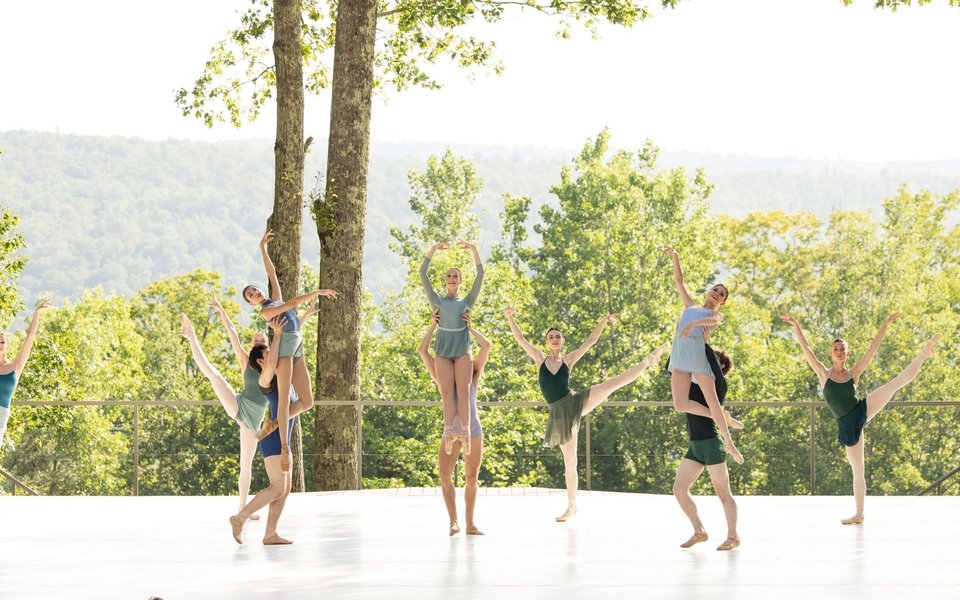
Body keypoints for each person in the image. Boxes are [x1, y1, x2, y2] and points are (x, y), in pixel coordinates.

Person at [505, 306, 667, 522]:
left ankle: (648, 360)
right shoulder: (539, 359)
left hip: (575, 401)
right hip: (560, 414)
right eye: (551, 337)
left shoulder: (568, 360)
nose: (554, 339)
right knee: (570, 462)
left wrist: (603, 320)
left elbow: (590, 342)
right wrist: (509, 317)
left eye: (558, 336)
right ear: (546, 342)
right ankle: (572, 507)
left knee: (610, 384)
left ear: (562, 341)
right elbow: (519, 339)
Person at [781, 311, 939, 524]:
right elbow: (806, 348)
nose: (839, 351)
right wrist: (795, 324)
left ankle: (924, 353)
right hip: (847, 424)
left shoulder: (853, 373)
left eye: (842, 349)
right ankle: (859, 514)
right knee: (858, 469)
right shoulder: (823, 373)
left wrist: (886, 323)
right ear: (831, 353)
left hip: (861, 409)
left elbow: (873, 348)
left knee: (896, 383)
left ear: (847, 352)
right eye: (835, 349)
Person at [209, 291, 318, 519]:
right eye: (257, 343)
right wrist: (221, 312)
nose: (260, 343)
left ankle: (262, 525)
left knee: (281, 485)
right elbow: (233, 334)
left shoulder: (275, 358)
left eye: (263, 341)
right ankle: (242, 511)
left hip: (265, 415)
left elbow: (291, 339)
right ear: (256, 353)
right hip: (247, 409)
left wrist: (304, 316)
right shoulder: (253, 363)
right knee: (252, 467)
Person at [242, 229, 337, 471]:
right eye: (251, 295)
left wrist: (262, 248)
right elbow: (292, 303)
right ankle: (284, 447)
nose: (256, 293)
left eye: (255, 289)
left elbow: (271, 274)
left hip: (297, 344)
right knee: (284, 399)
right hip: (285, 348)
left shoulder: (273, 298)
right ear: (252, 303)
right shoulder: (266, 311)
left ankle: (272, 424)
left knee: (306, 402)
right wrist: (317, 292)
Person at [662, 246, 744, 465]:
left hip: (697, 352)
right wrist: (676, 256)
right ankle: (724, 419)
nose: (716, 294)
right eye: (715, 290)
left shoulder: (714, 314)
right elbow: (679, 281)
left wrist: (695, 323)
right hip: (679, 355)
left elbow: (714, 322)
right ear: (709, 291)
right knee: (680, 404)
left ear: (722, 301)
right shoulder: (690, 305)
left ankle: (728, 441)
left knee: (713, 400)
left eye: (721, 294)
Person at [418, 308, 489, 536]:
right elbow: (422, 350)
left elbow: (486, 346)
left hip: (473, 430)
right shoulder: (442, 375)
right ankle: (453, 522)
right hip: (451, 432)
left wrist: (469, 328)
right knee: (445, 475)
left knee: (471, 477)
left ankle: (470, 523)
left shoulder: (473, 374)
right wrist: (433, 326)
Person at [673, 345, 740, 551]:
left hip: (711, 442)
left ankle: (733, 536)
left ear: (720, 365)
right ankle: (699, 531)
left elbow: (707, 356)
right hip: (695, 445)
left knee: (723, 492)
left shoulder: (718, 383)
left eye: (713, 359)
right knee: (679, 489)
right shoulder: (692, 381)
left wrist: (699, 338)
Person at [420, 240, 483, 455]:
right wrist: (433, 250)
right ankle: (448, 433)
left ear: (460, 281)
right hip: (443, 351)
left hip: (462, 350)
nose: (452, 278)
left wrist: (474, 250)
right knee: (447, 393)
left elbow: (480, 276)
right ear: (445, 280)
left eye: (456, 276)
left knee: (463, 392)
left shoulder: (467, 302)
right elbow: (422, 274)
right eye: (449, 276)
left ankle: (465, 434)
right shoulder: (437, 302)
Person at [0, 298, 52, 448]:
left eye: (2, 342)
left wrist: (37, 314)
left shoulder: (15, 366)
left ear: (8, 345)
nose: (0, 344)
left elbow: (30, 337)